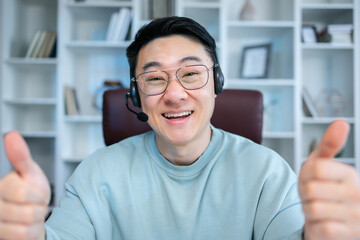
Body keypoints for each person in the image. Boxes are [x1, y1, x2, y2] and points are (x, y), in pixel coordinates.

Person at [0, 16, 359, 240]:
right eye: (154, 79)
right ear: (136, 96)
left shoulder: (268, 172)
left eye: (190, 73)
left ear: (216, 83)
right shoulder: (96, 174)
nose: (174, 94)